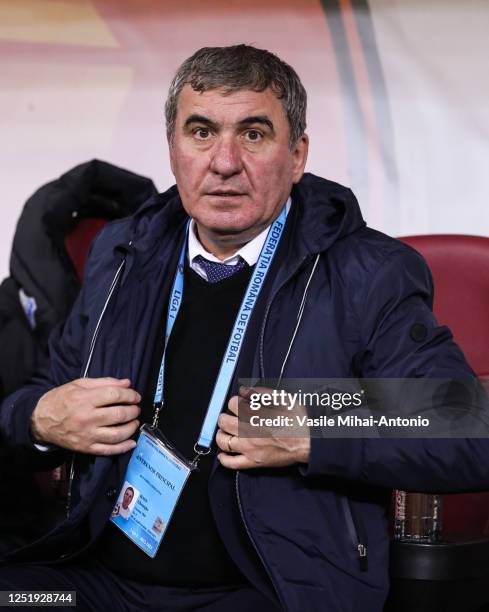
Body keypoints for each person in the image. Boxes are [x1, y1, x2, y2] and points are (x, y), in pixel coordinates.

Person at [0, 44, 487, 612]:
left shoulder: (367, 273)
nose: (224, 161)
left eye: (254, 134)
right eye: (201, 132)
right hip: (97, 582)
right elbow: (37, 395)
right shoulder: (124, 252)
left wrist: (314, 426)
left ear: (297, 154)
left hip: (263, 592)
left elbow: (465, 426)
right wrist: (38, 420)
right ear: (173, 149)